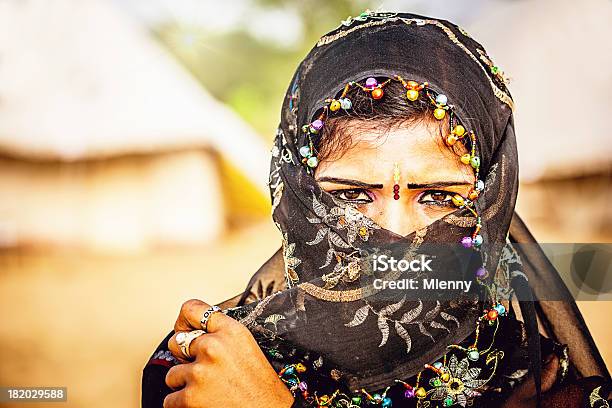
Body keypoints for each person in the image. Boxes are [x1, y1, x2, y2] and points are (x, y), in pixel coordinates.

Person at [142, 12, 610, 408]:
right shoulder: (210, 371)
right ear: (298, 196)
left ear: (491, 201)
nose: (396, 235)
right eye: (351, 196)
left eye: (439, 198)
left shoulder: (545, 389)